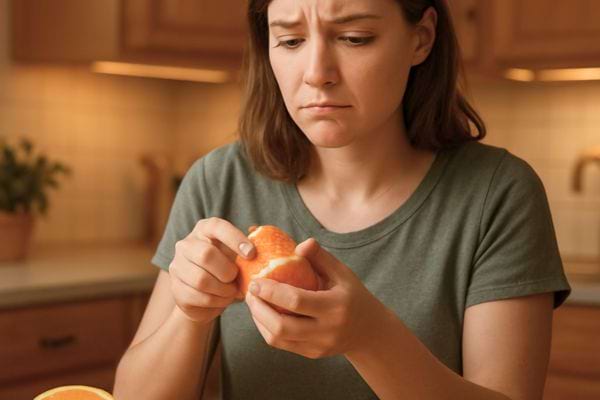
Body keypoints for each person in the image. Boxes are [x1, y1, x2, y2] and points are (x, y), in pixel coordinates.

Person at [113, 0, 571, 399]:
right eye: (290, 41)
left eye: (355, 37)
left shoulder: (499, 193)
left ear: (422, 38)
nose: (316, 74)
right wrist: (189, 316)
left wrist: (370, 339)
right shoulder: (218, 181)